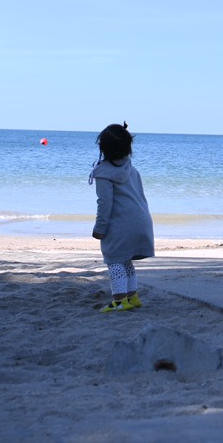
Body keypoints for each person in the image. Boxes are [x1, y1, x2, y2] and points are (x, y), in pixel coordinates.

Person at [90, 122, 155, 312]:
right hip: (141, 221)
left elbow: (104, 203)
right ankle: (132, 297)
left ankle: (119, 301)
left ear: (104, 149)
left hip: (120, 225)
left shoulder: (103, 173)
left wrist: (100, 228)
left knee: (114, 260)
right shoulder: (131, 169)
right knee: (126, 260)